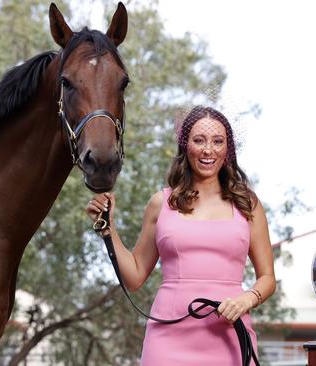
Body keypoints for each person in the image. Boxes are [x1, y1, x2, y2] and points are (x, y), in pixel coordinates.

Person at [86, 105, 276, 365]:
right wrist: (108, 230)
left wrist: (247, 299)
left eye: (217, 141)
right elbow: (135, 276)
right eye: (199, 140)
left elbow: (267, 278)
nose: (208, 150)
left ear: (228, 149)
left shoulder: (248, 204)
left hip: (230, 335)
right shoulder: (160, 203)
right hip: (168, 338)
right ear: (186, 146)